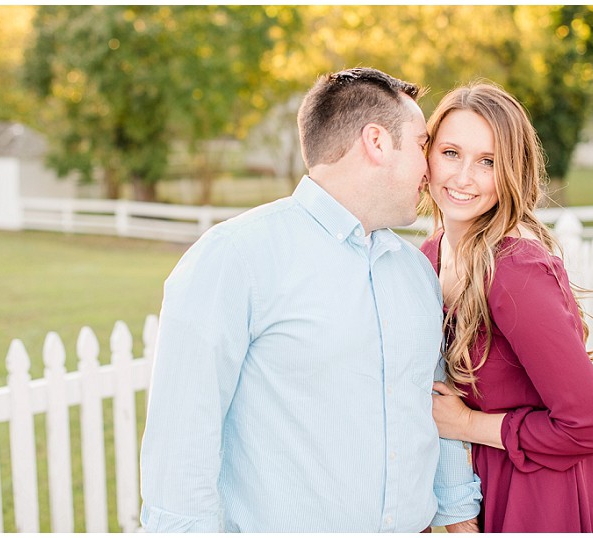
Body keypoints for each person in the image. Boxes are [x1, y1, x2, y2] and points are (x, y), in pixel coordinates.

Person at [139, 67, 482, 532]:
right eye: (423, 145)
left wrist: (461, 517)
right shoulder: (234, 259)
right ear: (376, 142)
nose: (432, 167)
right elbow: (181, 443)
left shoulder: (416, 271)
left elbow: (431, 406)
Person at [419, 80, 593, 532]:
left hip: (540, 491)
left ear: (512, 172)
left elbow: (591, 425)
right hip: (471, 482)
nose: (463, 177)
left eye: (487, 162)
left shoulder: (513, 269)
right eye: (450, 153)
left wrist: (466, 424)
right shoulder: (429, 256)